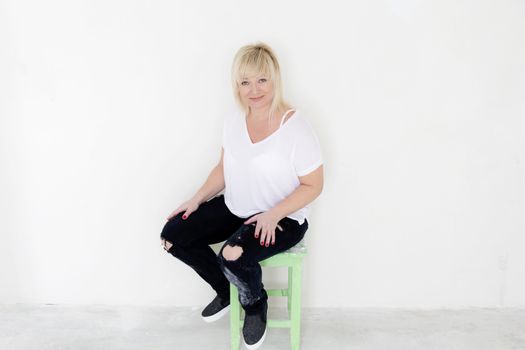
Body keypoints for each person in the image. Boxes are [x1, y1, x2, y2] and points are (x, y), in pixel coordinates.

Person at [159, 42, 324, 350]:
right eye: (245, 82)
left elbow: (313, 185)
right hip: (238, 206)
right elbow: (224, 167)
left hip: (283, 216)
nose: (254, 89)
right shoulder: (233, 121)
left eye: (262, 80)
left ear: (275, 79)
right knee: (173, 235)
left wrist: (273, 215)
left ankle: (254, 303)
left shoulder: (296, 127)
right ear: (237, 85)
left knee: (231, 256)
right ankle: (226, 290)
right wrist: (196, 199)